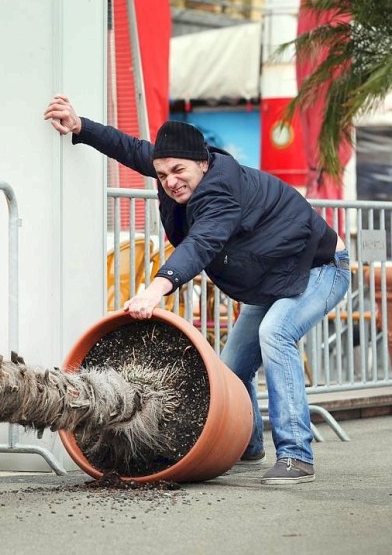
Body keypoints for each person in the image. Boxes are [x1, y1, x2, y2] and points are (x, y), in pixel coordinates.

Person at [44, 94, 350, 485]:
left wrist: (156, 289)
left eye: (178, 171)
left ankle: (295, 455)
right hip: (274, 280)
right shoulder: (171, 168)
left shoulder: (221, 190)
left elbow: (202, 242)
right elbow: (129, 147)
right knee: (232, 367)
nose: (170, 181)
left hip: (319, 269)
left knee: (276, 333)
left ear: (203, 163)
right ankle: (248, 443)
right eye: (162, 173)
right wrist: (81, 126)